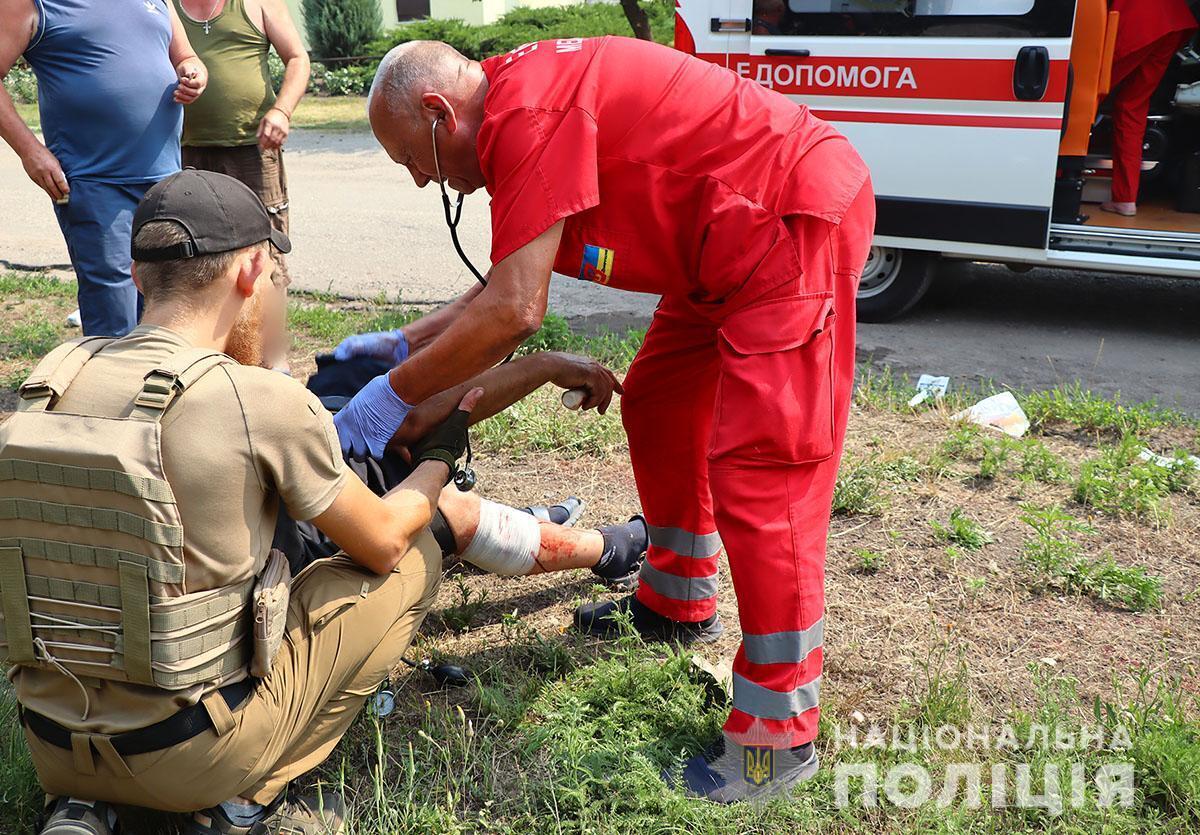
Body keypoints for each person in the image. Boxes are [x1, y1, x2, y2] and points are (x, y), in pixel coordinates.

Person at [4, 169, 647, 835]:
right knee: (416, 551)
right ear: (253, 271)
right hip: (192, 753)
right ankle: (241, 797)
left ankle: (88, 803)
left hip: (51, 740)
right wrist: (437, 460)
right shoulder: (258, 401)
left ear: (138, 277)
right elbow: (384, 540)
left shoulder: (50, 380)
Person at [339, 36, 875, 803]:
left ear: (438, 112)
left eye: (412, 161)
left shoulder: (528, 114)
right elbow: (492, 295)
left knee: (765, 471)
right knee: (656, 401)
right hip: (719, 247)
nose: (425, 181)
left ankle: (776, 742)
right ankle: (680, 597)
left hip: (784, 222)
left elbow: (515, 309)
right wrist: (400, 350)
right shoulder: (515, 109)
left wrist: (389, 395)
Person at [0, 0, 207, 337]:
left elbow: (185, 56)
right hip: (94, 182)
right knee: (115, 314)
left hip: (164, 182)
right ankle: (110, 388)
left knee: (170, 304)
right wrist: (30, 152)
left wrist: (194, 72)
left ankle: (158, 384)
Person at [173, 0, 310, 367]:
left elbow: (298, 58)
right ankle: (208, 355)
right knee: (194, 260)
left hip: (254, 148)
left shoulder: (259, 3)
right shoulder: (162, 6)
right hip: (182, 151)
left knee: (268, 256)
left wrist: (281, 110)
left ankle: (273, 359)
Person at [1100, 0, 1198, 216]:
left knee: (1084, 99)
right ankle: (1125, 199)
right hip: (1171, 21)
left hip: (1140, 21)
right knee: (1132, 106)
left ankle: (1057, 183)